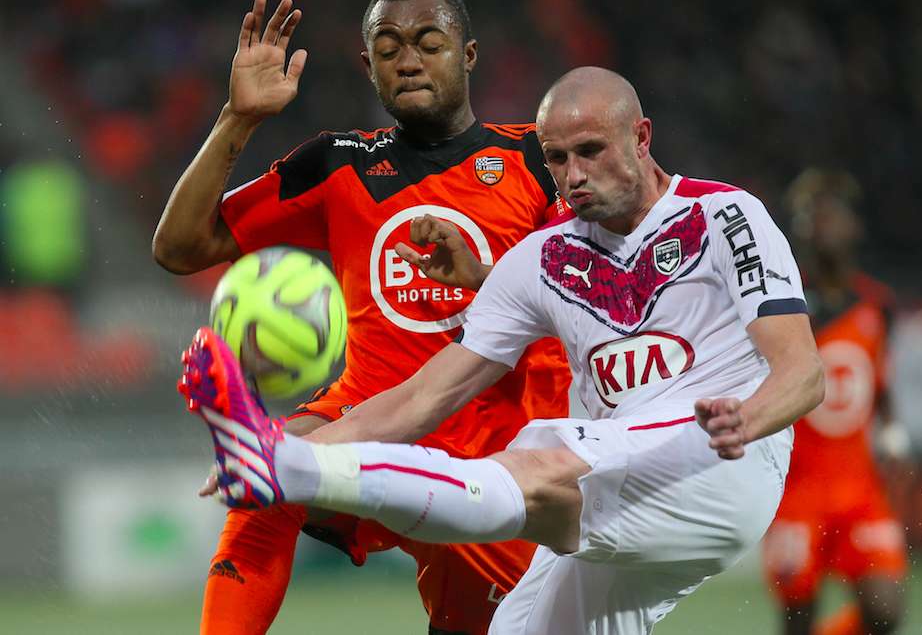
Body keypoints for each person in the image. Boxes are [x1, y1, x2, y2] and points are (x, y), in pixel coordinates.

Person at [179, 66, 826, 634]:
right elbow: (421, 399)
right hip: (625, 479)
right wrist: (275, 449)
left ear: (641, 137)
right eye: (556, 159)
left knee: (538, 469)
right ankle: (285, 466)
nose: (573, 176)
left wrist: (747, 418)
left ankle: (296, 471)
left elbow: (802, 373)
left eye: (590, 151)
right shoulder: (541, 260)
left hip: (723, 459)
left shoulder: (725, 216)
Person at [153, 0, 572, 635]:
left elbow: (582, 297)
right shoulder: (338, 163)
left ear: (467, 54)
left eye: (428, 43)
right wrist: (239, 117)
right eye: (387, 48)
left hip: (497, 453)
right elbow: (180, 247)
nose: (407, 61)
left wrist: (483, 276)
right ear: (367, 66)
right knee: (267, 480)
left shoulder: (537, 160)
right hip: (364, 420)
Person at [762, 169, 910, 635]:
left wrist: (892, 432)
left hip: (859, 488)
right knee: (798, 621)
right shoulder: (782, 301)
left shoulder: (877, 304)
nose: (823, 224)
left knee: (885, 610)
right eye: (813, 215)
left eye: (832, 214)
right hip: (797, 490)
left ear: (855, 226)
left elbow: (877, 380)